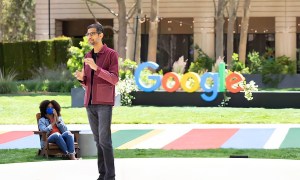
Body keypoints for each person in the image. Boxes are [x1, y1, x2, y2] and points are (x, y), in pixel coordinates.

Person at [74, 23, 119, 180]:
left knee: (105, 141)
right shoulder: (87, 56)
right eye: (88, 34)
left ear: (101, 35)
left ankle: (110, 176)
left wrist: (96, 68)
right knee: (98, 141)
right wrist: (81, 80)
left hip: (104, 104)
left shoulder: (111, 54)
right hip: (90, 103)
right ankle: (102, 175)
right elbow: (89, 83)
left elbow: (114, 79)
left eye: (93, 33)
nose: (90, 36)